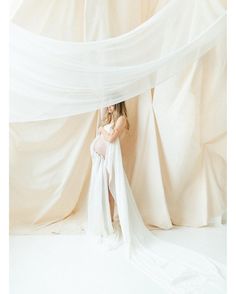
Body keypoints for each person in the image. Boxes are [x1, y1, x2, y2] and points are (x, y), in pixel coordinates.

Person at [87, 101, 226, 294]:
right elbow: (103, 122)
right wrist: (102, 123)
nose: (108, 107)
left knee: (115, 194)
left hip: (111, 163)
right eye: (107, 105)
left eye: (111, 104)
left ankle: (117, 222)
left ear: (118, 105)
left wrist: (102, 130)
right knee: (107, 196)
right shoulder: (109, 118)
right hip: (102, 162)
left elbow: (110, 138)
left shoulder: (120, 119)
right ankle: (108, 222)